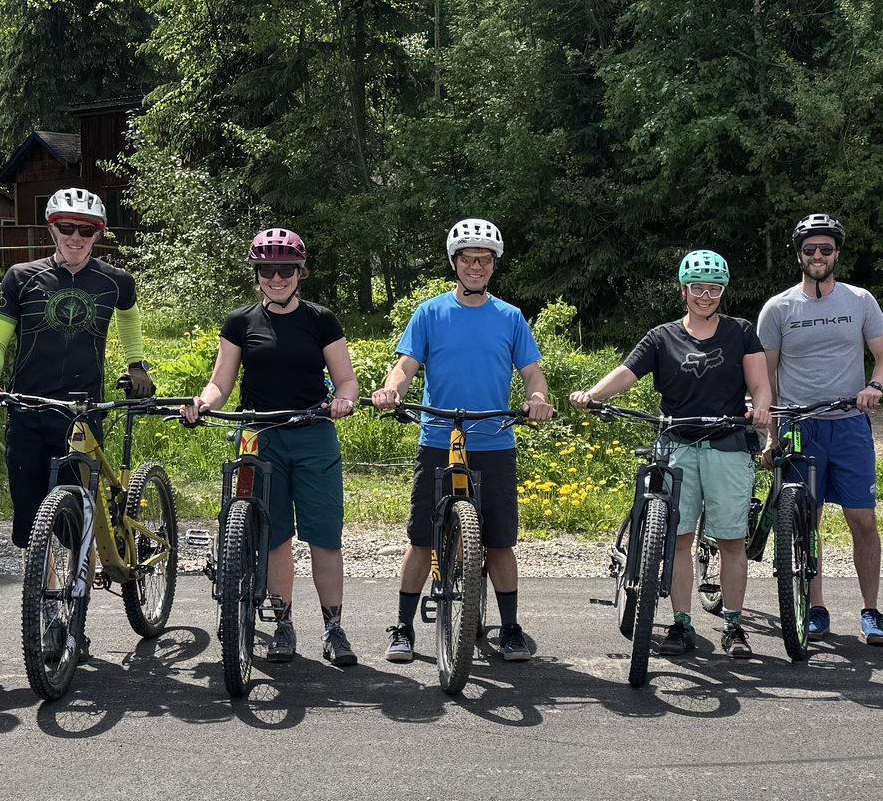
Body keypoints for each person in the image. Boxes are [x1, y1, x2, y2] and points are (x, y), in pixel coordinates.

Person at [571, 250, 773, 660]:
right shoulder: (662, 337)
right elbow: (626, 374)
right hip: (677, 444)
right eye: (698, 287)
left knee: (731, 539)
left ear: (722, 291)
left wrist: (763, 407)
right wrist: (592, 395)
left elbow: (759, 381)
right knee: (679, 541)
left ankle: (733, 625)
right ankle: (681, 624)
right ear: (683, 290)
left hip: (729, 445)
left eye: (714, 288)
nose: (706, 295)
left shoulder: (741, 331)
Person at [371, 217, 555, 663]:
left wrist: (538, 398)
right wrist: (392, 389)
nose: (477, 266)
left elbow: (532, 372)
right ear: (455, 263)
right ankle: (403, 626)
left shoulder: (509, 317)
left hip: (494, 439)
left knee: (499, 541)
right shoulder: (430, 312)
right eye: (469, 259)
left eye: (485, 259)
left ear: (494, 265)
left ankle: (510, 628)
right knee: (421, 539)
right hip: (438, 435)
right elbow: (406, 365)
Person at [181, 228, 361, 667]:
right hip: (259, 434)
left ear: (300, 272)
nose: (277, 278)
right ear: (256, 273)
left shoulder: (321, 320)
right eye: (267, 270)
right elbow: (221, 382)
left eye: (286, 269)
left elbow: (347, 379)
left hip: (314, 432)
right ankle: (283, 625)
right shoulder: (239, 322)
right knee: (275, 537)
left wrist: (344, 400)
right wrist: (203, 403)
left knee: (324, 538)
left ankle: (334, 629)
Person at [0, 187, 154, 549]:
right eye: (67, 228)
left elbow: (129, 323)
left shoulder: (116, 280)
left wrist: (136, 365)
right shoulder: (20, 277)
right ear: (51, 228)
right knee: (29, 522)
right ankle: (44, 597)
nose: (76, 238)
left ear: (99, 233)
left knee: (78, 520)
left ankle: (75, 594)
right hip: (27, 407)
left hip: (83, 410)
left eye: (87, 230)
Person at [755, 213, 883, 646]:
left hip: (850, 424)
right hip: (801, 426)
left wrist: (874, 386)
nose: (818, 256)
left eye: (826, 249)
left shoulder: (860, 300)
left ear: (837, 253)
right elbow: (768, 378)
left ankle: (871, 611)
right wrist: (770, 435)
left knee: (863, 520)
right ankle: (815, 606)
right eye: (810, 250)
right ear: (798, 256)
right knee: (805, 519)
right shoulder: (778, 308)